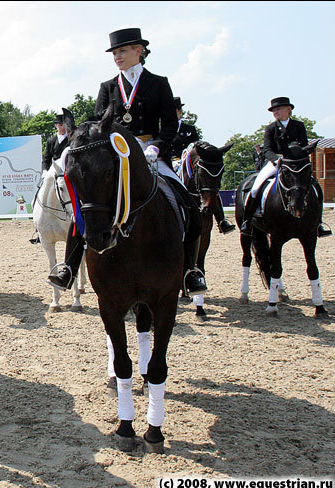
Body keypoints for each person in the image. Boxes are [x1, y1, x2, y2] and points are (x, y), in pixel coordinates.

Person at [48, 27, 208, 296]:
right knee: (88, 205)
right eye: (114, 53)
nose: (117, 57)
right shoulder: (107, 87)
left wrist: (157, 146)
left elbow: (169, 124)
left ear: (139, 51)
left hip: (150, 152)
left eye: (122, 51)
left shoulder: (158, 83)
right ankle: (69, 266)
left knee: (187, 203)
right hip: (116, 156)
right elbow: (101, 125)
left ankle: (191, 270)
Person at [240, 97, 332, 237]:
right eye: (274, 110)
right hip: (276, 162)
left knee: (315, 186)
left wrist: (298, 156)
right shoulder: (271, 128)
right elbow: (267, 150)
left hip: (295, 162)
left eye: (278, 109)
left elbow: (303, 145)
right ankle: (247, 221)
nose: (275, 112)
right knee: (255, 187)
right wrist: (277, 159)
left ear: (288, 109)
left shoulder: (299, 126)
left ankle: (318, 223)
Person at [172, 97, 235, 235]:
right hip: (171, 161)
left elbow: (197, 146)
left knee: (209, 186)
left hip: (189, 161)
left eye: (175, 110)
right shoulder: (163, 129)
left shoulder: (189, 129)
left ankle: (222, 220)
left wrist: (188, 153)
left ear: (180, 111)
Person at [30, 114, 70, 244]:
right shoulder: (51, 140)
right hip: (52, 172)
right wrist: (44, 171)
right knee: (34, 200)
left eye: (64, 124)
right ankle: (39, 230)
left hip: (66, 172)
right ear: (56, 125)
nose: (62, 127)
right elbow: (46, 157)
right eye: (60, 124)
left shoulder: (70, 139)